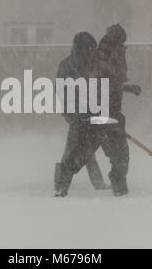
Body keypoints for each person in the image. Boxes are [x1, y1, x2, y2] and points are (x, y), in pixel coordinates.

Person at [86, 24, 141, 196]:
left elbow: (109, 83)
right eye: (122, 42)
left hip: (103, 110)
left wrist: (125, 88)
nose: (123, 46)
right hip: (104, 111)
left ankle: (63, 183)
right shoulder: (105, 56)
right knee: (119, 154)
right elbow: (102, 84)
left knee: (84, 150)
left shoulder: (105, 55)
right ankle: (119, 189)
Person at [54, 32, 109, 197]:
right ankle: (60, 186)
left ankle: (95, 183)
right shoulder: (67, 65)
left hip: (89, 112)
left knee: (87, 149)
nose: (93, 51)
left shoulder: (90, 64)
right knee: (74, 149)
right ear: (82, 47)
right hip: (76, 114)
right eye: (90, 48)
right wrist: (73, 111)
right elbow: (62, 90)